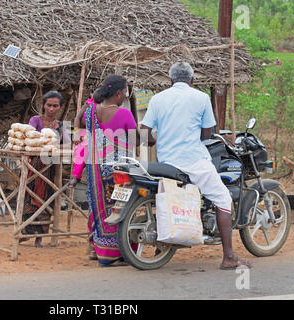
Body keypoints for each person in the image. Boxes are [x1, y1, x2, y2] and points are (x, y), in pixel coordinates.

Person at [140, 62, 252, 270]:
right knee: (222, 198)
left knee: (170, 199)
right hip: (194, 160)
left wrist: (156, 142)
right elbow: (207, 133)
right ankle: (229, 256)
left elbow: (144, 132)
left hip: (166, 162)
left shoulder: (157, 99)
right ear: (192, 80)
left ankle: (162, 248)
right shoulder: (201, 98)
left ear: (171, 80)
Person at [73, 75, 137, 266]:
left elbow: (79, 120)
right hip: (118, 169)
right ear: (118, 93)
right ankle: (120, 252)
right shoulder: (125, 114)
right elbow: (134, 140)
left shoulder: (91, 111)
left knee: (97, 207)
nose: (125, 96)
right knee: (122, 205)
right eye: (125, 92)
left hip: (95, 168)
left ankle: (96, 249)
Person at [22, 90, 70, 247]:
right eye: (49, 105)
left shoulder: (61, 126)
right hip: (33, 167)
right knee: (29, 198)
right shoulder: (36, 120)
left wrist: (54, 144)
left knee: (46, 200)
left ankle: (40, 237)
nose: (51, 108)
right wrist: (48, 143)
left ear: (59, 108)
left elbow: (68, 144)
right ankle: (25, 231)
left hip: (50, 168)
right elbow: (30, 137)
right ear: (43, 105)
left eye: (55, 106)